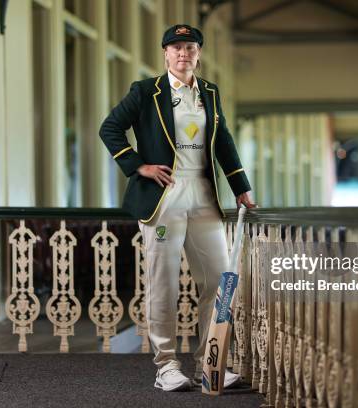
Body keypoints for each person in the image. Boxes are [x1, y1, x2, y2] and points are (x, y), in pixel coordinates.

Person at [99, 24, 256, 392]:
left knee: (218, 282)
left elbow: (224, 143)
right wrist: (138, 165)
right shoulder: (145, 92)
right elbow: (110, 128)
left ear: (198, 53)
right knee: (164, 282)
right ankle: (166, 365)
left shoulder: (211, 93)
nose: (183, 53)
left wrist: (242, 188)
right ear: (165, 54)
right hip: (164, 197)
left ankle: (209, 363)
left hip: (203, 196)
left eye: (189, 46)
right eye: (176, 47)